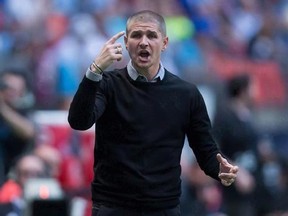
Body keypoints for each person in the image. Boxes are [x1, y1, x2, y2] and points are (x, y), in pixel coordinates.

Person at [68, 10, 238, 216]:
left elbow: (205, 151)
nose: (144, 42)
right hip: (113, 207)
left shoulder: (187, 94)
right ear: (126, 42)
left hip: (163, 208)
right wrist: (94, 71)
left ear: (164, 43)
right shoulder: (106, 84)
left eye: (151, 35)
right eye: (136, 35)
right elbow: (79, 121)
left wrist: (220, 170)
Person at [212, 74, 259, 216]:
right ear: (243, 90)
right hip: (232, 187)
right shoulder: (224, 116)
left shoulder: (248, 115)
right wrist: (237, 173)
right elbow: (215, 149)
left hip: (252, 184)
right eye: (253, 87)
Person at [0, 69, 35, 186]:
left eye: (16, 89)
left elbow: (28, 131)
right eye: (7, 87)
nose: (11, 92)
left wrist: (2, 108)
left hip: (14, 173)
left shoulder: (23, 111)